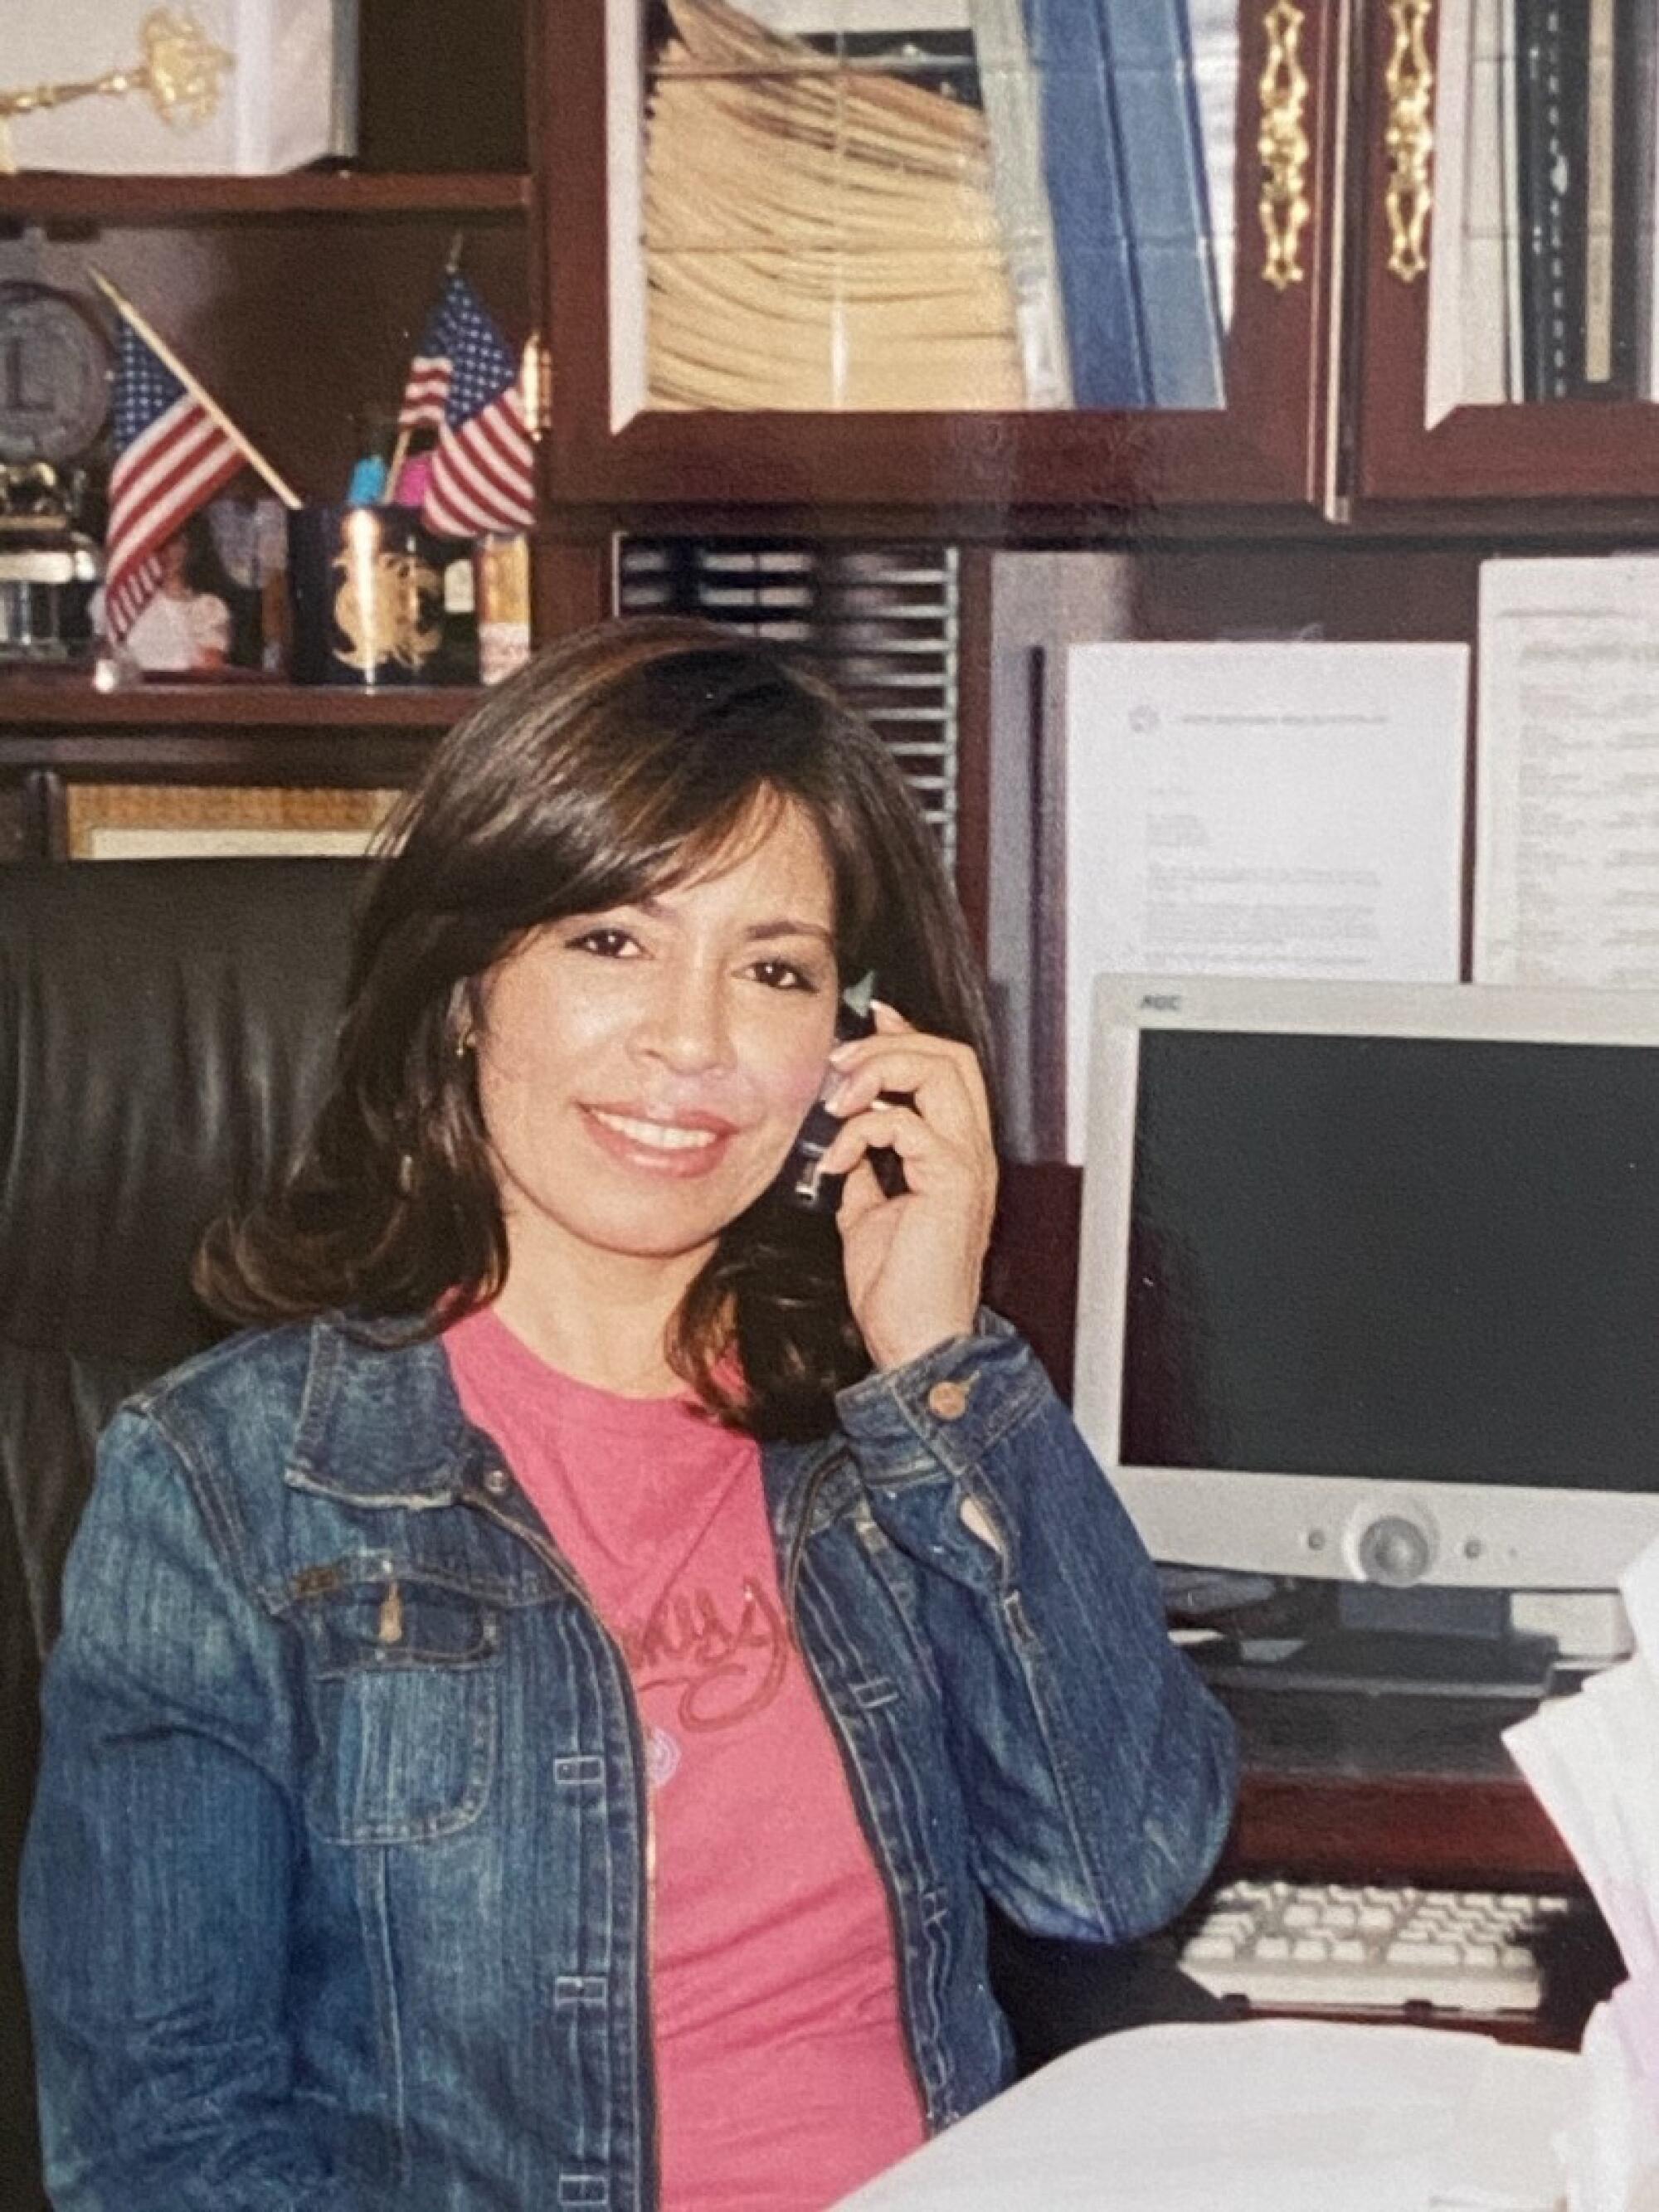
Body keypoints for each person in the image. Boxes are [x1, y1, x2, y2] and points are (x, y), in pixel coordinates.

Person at [21, 617, 1236, 2212]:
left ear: (853, 1044)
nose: (694, 1045)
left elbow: (1114, 1868)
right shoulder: (230, 1486)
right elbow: (163, 2146)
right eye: (610, 941)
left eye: (776, 969)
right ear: (467, 988)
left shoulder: (894, 1444)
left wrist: (940, 1360)